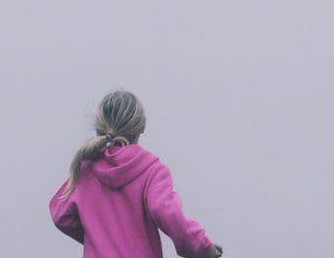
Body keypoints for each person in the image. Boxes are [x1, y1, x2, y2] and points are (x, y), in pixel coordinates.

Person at [50, 90, 224, 258]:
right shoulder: (151, 170)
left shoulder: (86, 170)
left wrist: (99, 240)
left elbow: (61, 215)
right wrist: (201, 247)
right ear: (140, 128)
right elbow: (165, 211)